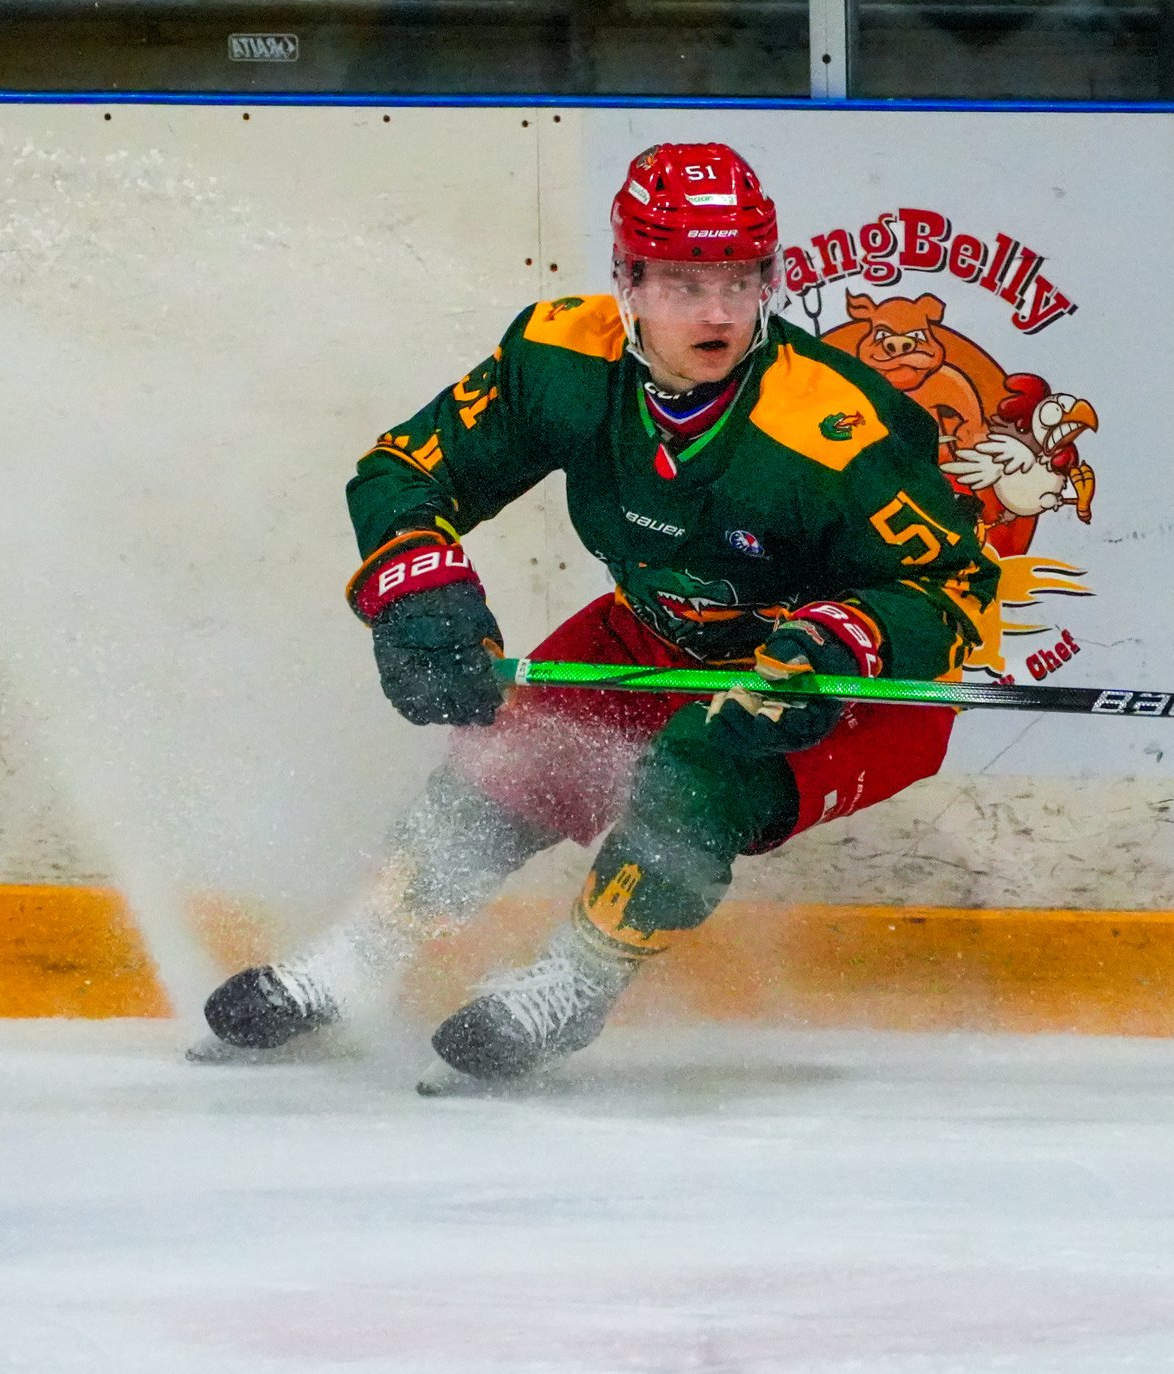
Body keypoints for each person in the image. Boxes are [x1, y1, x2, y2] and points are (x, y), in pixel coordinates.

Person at [199, 142, 998, 1082]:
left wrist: (841, 639)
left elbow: (957, 589)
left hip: (859, 691)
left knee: (698, 778)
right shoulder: (559, 359)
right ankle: (356, 960)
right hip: (653, 637)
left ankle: (574, 984)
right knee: (509, 758)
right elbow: (404, 470)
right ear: (626, 278)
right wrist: (417, 584)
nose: (717, 312)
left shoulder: (837, 431)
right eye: (683, 283)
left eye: (741, 281)